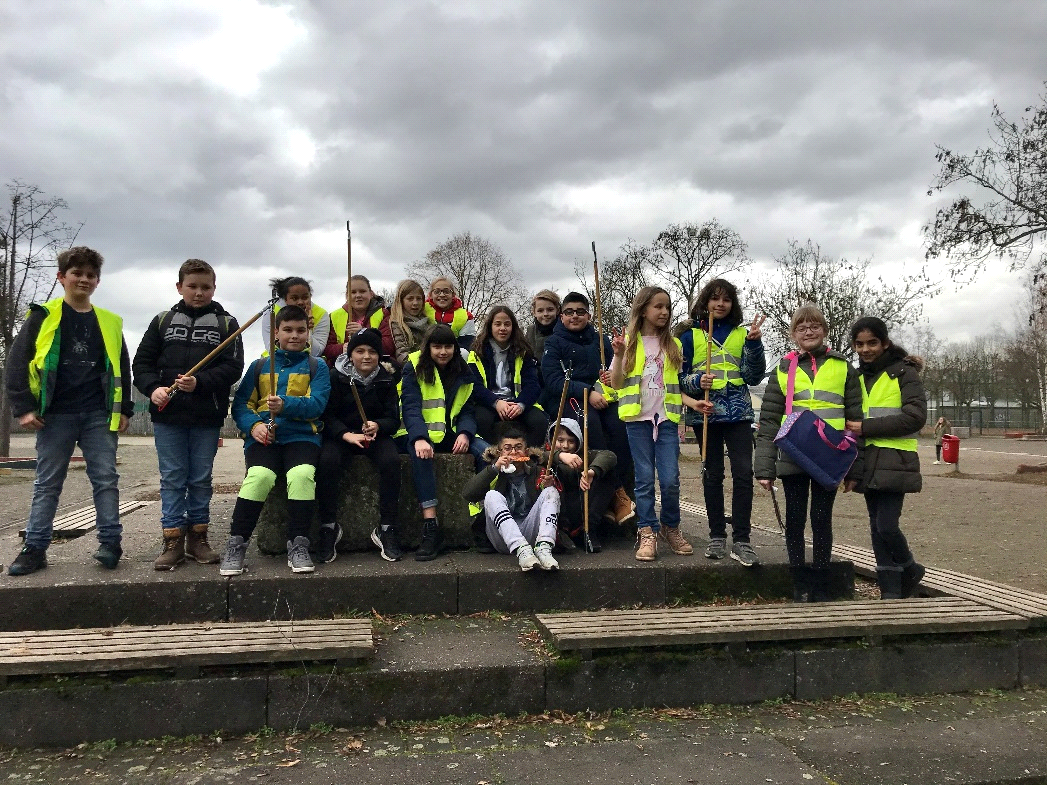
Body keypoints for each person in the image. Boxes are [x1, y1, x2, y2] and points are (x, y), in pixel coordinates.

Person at [6, 246, 134, 575]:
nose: (84, 279)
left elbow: (122, 368)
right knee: (47, 483)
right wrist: (24, 407)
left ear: (98, 281)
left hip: (97, 414)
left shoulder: (110, 322)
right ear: (61, 277)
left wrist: (125, 410)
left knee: (106, 479)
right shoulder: (42, 316)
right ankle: (34, 548)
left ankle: (110, 544)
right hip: (55, 415)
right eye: (77, 273)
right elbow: (17, 363)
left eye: (91, 275)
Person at [133, 258, 245, 570]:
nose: (198, 292)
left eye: (205, 287)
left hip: (206, 416)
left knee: (199, 479)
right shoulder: (162, 321)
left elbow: (233, 368)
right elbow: (141, 363)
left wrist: (200, 382)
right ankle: (172, 541)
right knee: (172, 478)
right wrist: (152, 388)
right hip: (167, 415)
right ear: (179, 286)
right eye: (192, 286)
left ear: (214, 288)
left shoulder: (227, 324)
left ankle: (198, 538)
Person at [754, 304, 864, 602]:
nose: (808, 331)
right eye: (801, 327)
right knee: (794, 517)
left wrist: (852, 469)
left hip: (830, 454)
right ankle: (798, 581)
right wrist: (764, 467)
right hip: (794, 454)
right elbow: (769, 419)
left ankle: (820, 582)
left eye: (814, 326)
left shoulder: (844, 367)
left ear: (824, 331)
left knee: (821, 518)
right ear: (793, 334)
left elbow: (856, 420)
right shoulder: (783, 368)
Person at [219, 306, 331, 576]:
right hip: (265, 438)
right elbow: (241, 406)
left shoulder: (318, 366)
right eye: (288, 330)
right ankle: (237, 543)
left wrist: (285, 405)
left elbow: (317, 404)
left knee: (303, 475)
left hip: (302, 437)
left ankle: (298, 543)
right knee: (259, 476)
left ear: (308, 333)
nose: (294, 336)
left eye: (301, 330)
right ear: (276, 332)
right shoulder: (259, 366)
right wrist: (254, 426)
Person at [679, 278, 766, 568]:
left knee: (743, 473)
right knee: (712, 473)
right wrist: (696, 381)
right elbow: (678, 379)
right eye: (714, 298)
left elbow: (753, 376)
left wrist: (754, 346)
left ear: (732, 304)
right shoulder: (688, 337)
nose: (720, 304)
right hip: (705, 412)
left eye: (726, 299)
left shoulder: (744, 335)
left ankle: (742, 539)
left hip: (739, 413)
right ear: (705, 302)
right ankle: (717, 535)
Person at [610, 286, 700, 562]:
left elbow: (672, 386)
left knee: (671, 479)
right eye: (658, 306)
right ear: (643, 309)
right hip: (637, 421)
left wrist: (693, 402)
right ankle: (646, 530)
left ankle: (670, 526)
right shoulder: (628, 342)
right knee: (645, 479)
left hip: (668, 420)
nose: (664, 312)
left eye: (668, 307)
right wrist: (618, 355)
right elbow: (615, 384)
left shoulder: (673, 345)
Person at [848, 317, 927, 599]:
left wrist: (866, 427)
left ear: (885, 343)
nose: (866, 349)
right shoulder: (857, 377)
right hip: (868, 460)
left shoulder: (904, 373)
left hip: (895, 460)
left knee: (886, 525)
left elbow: (915, 418)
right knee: (875, 527)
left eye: (872, 343)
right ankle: (890, 590)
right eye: (859, 344)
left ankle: (910, 567)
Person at [541, 291, 635, 524]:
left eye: (580, 312)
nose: (575, 316)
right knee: (589, 423)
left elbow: (617, 372)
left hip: (601, 397)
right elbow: (552, 380)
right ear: (561, 316)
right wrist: (587, 392)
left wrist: (608, 376)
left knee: (620, 425)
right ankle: (608, 493)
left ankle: (625, 492)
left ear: (589, 315)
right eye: (569, 312)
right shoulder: (553, 343)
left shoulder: (601, 341)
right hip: (568, 398)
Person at [401, 324, 490, 561]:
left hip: (452, 433)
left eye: (448, 346)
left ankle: (484, 521)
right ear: (428, 347)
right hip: (420, 433)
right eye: (437, 346)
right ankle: (431, 526)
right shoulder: (414, 366)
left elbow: (467, 411)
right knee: (421, 458)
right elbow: (410, 407)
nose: (443, 352)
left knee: (488, 456)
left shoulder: (463, 370)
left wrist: (465, 433)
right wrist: (419, 438)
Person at [317, 328, 404, 563]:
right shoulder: (336, 377)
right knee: (327, 462)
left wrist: (379, 426)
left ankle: (387, 527)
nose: (366, 356)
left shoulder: (386, 379)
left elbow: (393, 419)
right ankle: (328, 526)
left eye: (373, 352)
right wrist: (345, 434)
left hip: (374, 436)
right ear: (350, 354)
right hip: (342, 436)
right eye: (360, 351)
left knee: (391, 461)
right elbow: (327, 416)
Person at [462, 422, 561, 571]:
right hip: (501, 537)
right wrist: (494, 468)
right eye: (507, 449)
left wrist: (547, 486)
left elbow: (554, 505)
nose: (513, 452)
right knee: (491, 495)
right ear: (500, 452)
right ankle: (521, 549)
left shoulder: (538, 472)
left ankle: (544, 548)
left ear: (526, 451)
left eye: (518, 447)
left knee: (551, 492)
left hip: (531, 533)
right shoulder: (493, 472)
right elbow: (468, 494)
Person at [468, 305, 547, 447]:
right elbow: (474, 386)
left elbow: (533, 385)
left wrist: (520, 405)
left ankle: (529, 458)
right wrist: (496, 402)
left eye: (507, 324)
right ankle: (492, 457)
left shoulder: (523, 351)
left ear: (513, 327)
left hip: (516, 401)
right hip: (489, 402)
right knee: (481, 420)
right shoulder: (477, 352)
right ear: (490, 326)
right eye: (497, 324)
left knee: (539, 421)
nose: (502, 328)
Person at [549, 417, 618, 553]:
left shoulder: (584, 456)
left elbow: (609, 456)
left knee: (606, 474)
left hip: (582, 508)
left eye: (571, 441)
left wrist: (591, 472)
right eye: (560, 440)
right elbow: (541, 456)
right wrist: (560, 456)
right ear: (551, 439)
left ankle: (588, 530)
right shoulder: (544, 455)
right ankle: (560, 532)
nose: (565, 446)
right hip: (560, 512)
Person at [325, 275, 394, 364]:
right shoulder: (334, 316)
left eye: (362, 291)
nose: (358, 295)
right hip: (343, 366)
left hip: (376, 364)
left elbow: (389, 346)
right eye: (353, 292)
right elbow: (326, 349)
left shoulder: (383, 314)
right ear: (347, 296)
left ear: (371, 293)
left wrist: (364, 333)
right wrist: (342, 348)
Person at [262, 276, 330, 359]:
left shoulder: (321, 314)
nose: (300, 302)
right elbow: (270, 348)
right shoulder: (271, 313)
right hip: (276, 360)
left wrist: (308, 330)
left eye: (305, 297)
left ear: (310, 296)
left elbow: (317, 352)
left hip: (308, 363)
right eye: (294, 298)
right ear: (286, 299)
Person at [424, 276, 477, 352]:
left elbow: (467, 345)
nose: (442, 295)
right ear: (430, 295)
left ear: (453, 295)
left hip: (453, 356)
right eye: (437, 291)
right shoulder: (422, 310)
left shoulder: (466, 316)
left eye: (446, 291)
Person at [389, 279, 433, 367]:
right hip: (412, 369)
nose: (415, 303)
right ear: (401, 301)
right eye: (410, 299)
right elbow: (403, 356)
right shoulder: (397, 324)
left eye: (419, 298)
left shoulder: (429, 323)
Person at [525, 289, 560, 385]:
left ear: (557, 310)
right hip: (535, 383)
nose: (545, 314)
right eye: (540, 310)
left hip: (558, 382)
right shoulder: (530, 332)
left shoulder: (564, 331)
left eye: (550, 310)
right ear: (534, 312)